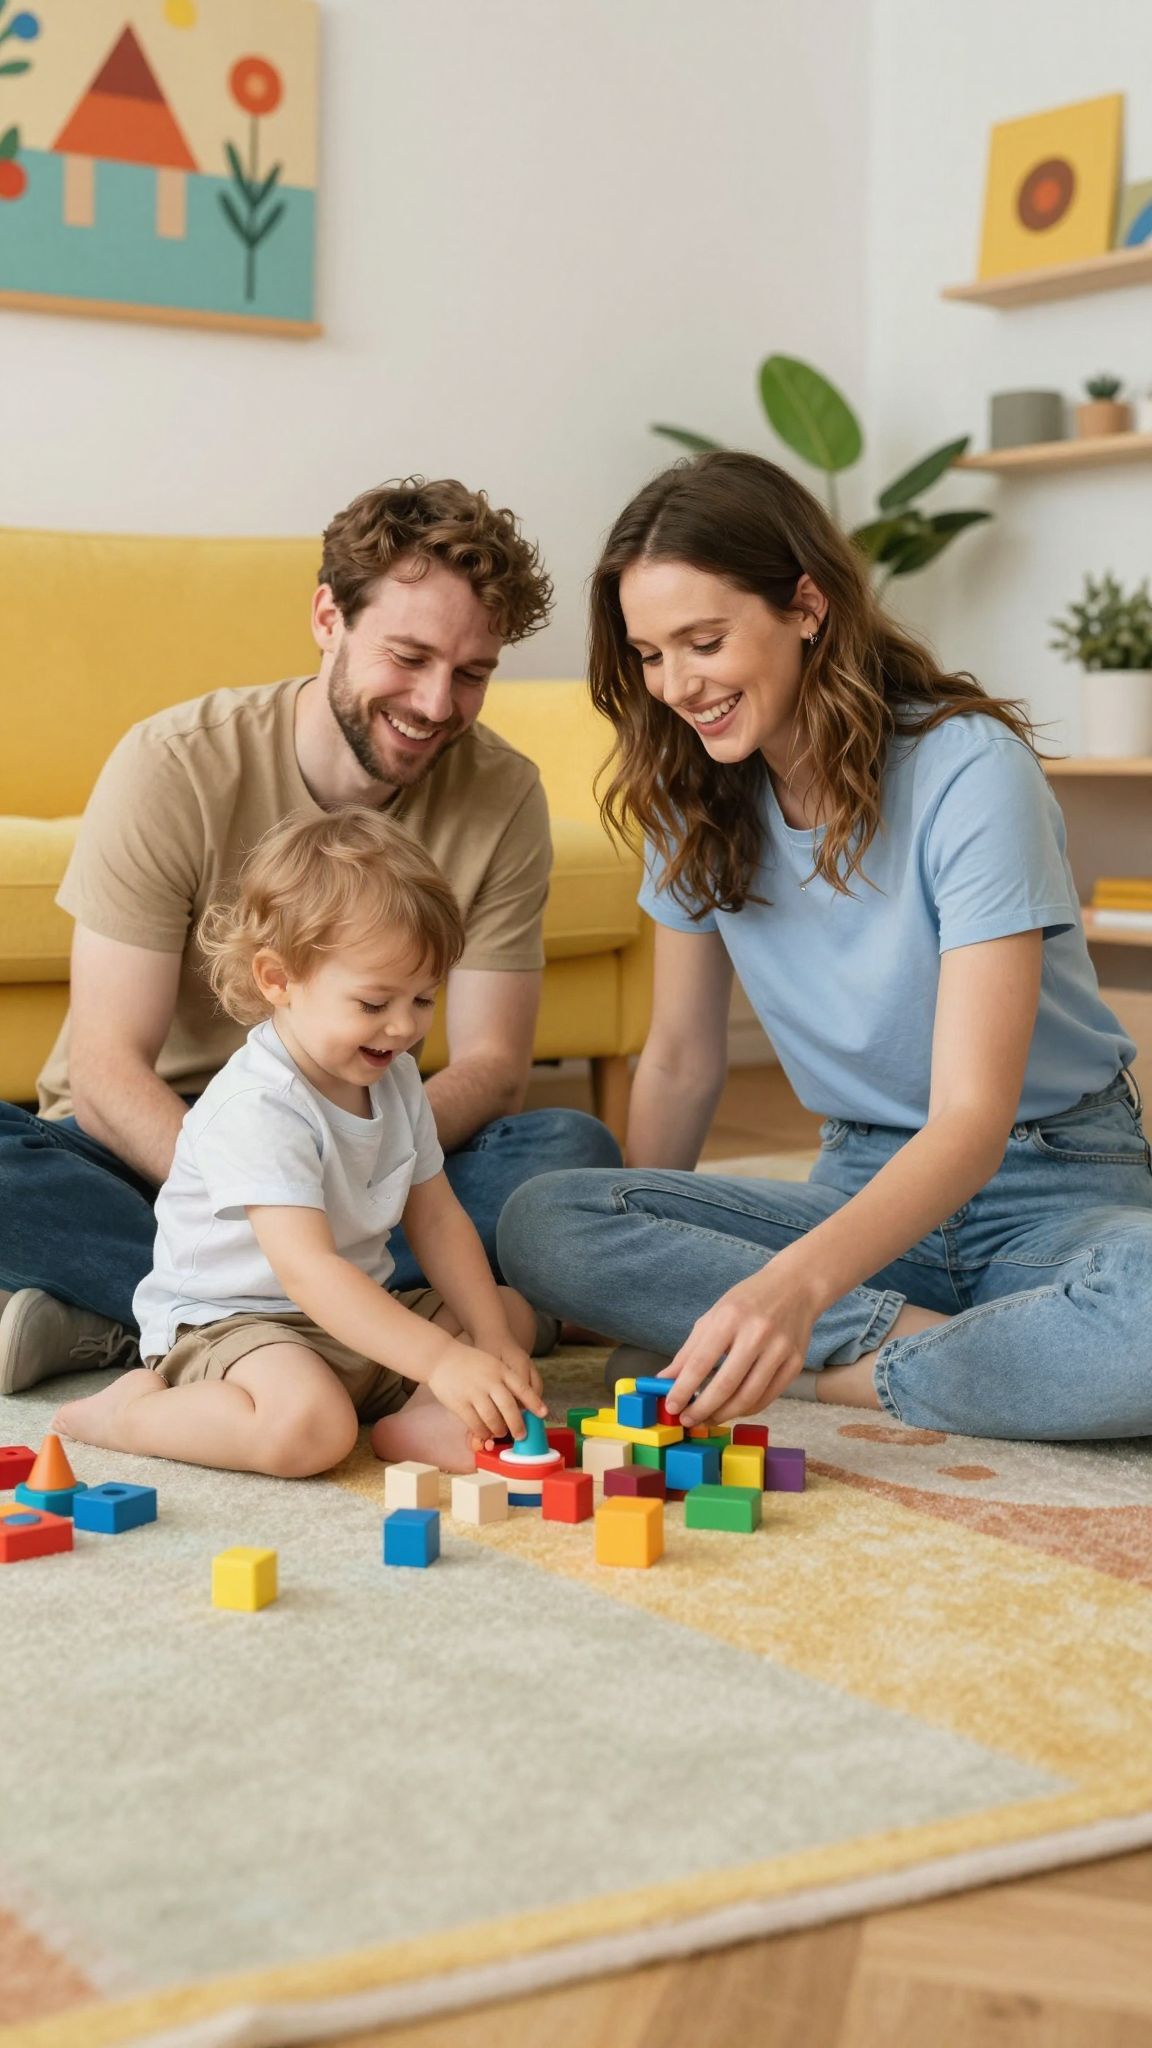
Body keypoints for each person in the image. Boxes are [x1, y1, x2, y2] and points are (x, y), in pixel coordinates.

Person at [497, 451, 1152, 1443]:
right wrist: (630, 1282)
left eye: (703, 640)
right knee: (545, 1219)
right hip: (859, 1189)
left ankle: (840, 1373)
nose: (677, 684)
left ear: (806, 605)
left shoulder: (968, 770)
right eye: (649, 654)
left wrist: (790, 1294)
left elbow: (971, 1119)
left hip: (1047, 1181)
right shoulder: (691, 790)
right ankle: (991, 1360)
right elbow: (678, 1057)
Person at [0, 477, 620, 1395]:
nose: (437, 703)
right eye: (407, 657)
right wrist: (264, 1191)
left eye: (473, 673)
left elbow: (492, 1065)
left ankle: (137, 1316)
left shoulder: (504, 794)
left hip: (371, 1148)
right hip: (160, 1166)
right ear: (329, 616)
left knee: (569, 1154)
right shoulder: (173, 763)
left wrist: (347, 1166)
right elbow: (103, 1064)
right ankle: (335, 1309)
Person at [52, 808, 549, 1477]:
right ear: (278, 980)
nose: (403, 1027)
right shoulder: (262, 1103)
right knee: (311, 1431)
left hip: (354, 1317)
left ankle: (424, 1417)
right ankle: (126, 1416)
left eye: (423, 1000)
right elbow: (307, 1271)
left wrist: (485, 1341)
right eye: (374, 1004)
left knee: (508, 1313)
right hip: (237, 1326)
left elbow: (435, 1216)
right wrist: (439, 1359)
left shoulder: (394, 1076)